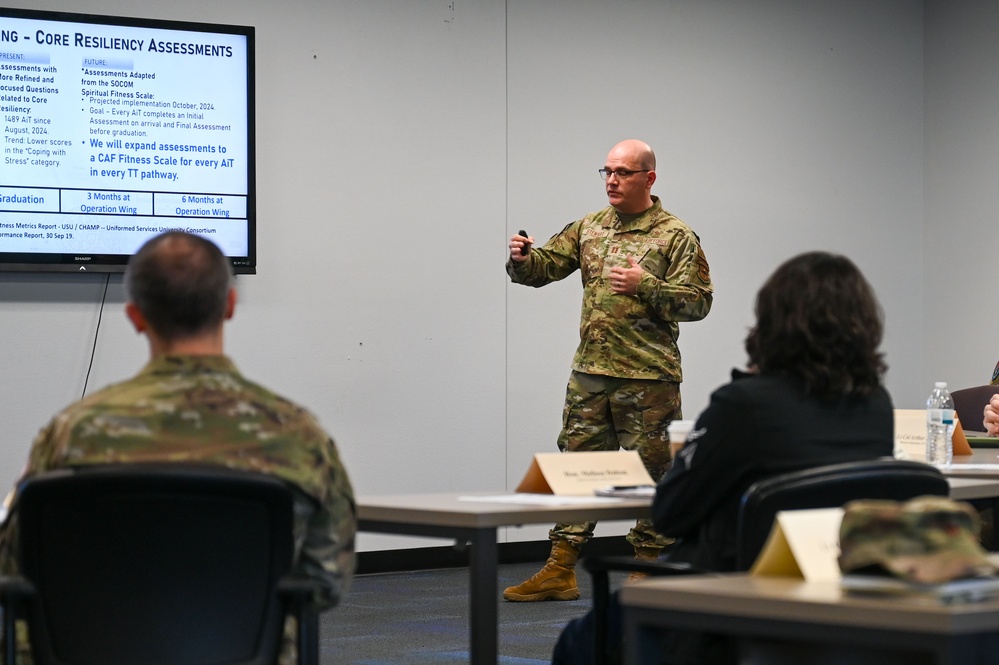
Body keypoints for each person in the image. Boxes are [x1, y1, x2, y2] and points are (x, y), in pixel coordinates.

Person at [0, 231, 356, 663]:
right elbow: (326, 581)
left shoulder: (70, 432)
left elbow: (12, 570)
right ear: (229, 305)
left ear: (135, 316)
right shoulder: (298, 434)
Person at [552, 251, 895, 665]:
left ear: (772, 321)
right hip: (831, 592)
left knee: (575, 643)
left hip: (724, 592)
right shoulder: (875, 404)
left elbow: (672, 512)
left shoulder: (744, 404)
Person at [504, 139, 714, 602]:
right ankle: (561, 567)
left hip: (648, 377)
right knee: (578, 466)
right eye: (607, 171)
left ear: (649, 179)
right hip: (591, 372)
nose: (613, 180)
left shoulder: (676, 235)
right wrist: (521, 260)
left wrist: (648, 286)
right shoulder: (591, 227)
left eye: (623, 172)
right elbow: (545, 268)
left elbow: (699, 302)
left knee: (654, 472)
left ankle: (649, 567)